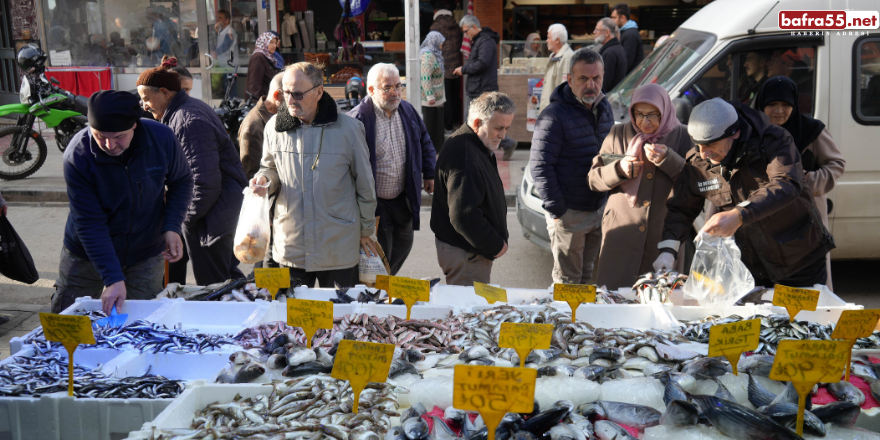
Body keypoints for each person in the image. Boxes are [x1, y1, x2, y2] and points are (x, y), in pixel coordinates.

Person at [653, 98, 836, 288]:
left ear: (735, 133)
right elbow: (681, 208)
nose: (703, 153)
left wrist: (739, 214)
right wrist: (668, 249)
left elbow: (786, 183)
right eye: (698, 145)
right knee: (755, 316)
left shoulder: (774, 141)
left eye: (710, 145)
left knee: (802, 317)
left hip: (799, 258)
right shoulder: (698, 160)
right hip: (749, 265)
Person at [51, 91, 193, 314]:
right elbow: (89, 222)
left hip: (146, 252)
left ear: (134, 126)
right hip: (87, 255)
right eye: (99, 136)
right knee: (69, 318)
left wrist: (172, 225)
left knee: (145, 322)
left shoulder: (161, 138)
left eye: (118, 136)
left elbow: (182, 180)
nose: (109, 145)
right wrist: (112, 277)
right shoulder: (78, 155)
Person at [251, 62, 378, 287]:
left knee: (341, 318)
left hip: (337, 246)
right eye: (285, 92)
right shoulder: (273, 128)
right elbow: (269, 167)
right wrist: (264, 180)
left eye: (297, 94)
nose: (290, 100)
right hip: (291, 245)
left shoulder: (349, 129)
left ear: (319, 92)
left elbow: (365, 185)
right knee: (294, 320)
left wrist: (366, 230)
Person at [136, 66, 247, 286]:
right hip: (214, 214)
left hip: (213, 220)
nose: (144, 105)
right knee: (224, 283)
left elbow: (204, 184)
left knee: (218, 289)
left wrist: (180, 221)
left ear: (165, 93)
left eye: (147, 98)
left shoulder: (187, 120)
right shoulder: (183, 111)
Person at [588, 84, 693, 289]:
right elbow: (593, 179)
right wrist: (619, 169)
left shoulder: (682, 136)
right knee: (613, 301)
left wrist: (670, 161)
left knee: (656, 301)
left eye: (652, 115)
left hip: (662, 239)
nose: (644, 122)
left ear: (664, 110)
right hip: (620, 238)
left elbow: (697, 183)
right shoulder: (619, 133)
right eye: (639, 114)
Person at [530, 48, 613, 285]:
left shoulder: (605, 109)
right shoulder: (553, 115)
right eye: (583, 79)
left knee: (590, 278)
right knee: (568, 281)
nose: (591, 85)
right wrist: (558, 210)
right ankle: (567, 322)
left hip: (598, 208)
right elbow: (540, 166)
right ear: (570, 79)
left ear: (603, 77)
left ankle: (584, 321)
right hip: (570, 213)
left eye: (596, 78)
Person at [754, 76, 845, 289]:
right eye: (772, 104)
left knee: (809, 280)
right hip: (764, 215)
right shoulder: (751, 132)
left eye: (786, 104)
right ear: (761, 105)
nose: (779, 110)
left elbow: (836, 164)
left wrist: (807, 181)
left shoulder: (812, 131)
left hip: (806, 218)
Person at [348, 64, 436, 275]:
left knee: (403, 244)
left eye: (399, 86)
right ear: (371, 90)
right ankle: (377, 290)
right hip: (375, 203)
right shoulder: (357, 120)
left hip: (402, 197)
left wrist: (429, 172)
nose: (395, 93)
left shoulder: (407, 110)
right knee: (380, 253)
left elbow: (425, 140)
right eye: (387, 88)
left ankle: (384, 282)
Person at [431, 92, 514, 286]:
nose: (503, 135)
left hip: (469, 252)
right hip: (466, 255)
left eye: (506, 128)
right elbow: (463, 215)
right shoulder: (465, 154)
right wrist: (496, 245)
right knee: (468, 311)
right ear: (477, 123)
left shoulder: (475, 144)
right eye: (498, 128)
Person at [453, 16, 500, 122]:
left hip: (482, 90)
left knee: (476, 124)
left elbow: (482, 63)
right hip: (478, 89)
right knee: (477, 125)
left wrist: (464, 69)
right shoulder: (481, 40)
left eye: (466, 31)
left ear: (474, 27)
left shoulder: (486, 41)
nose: (465, 35)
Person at [240, 72, 284, 180]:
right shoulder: (253, 126)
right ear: (277, 96)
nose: (295, 101)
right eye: (292, 94)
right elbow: (253, 177)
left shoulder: (279, 116)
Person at [430, 7, 463, 132]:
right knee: (455, 96)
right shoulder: (456, 25)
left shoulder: (435, 27)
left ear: (435, 12)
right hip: (456, 66)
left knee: (445, 97)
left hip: (442, 67)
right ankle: (456, 122)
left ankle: (448, 126)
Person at [419, 32, 447, 153]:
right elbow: (425, 76)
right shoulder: (428, 56)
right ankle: (431, 151)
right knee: (431, 126)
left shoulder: (435, 54)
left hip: (437, 97)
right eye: (440, 41)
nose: (442, 43)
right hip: (431, 99)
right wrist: (430, 95)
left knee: (438, 125)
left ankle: (438, 150)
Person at [539, 24, 575, 111]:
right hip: (550, 110)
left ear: (557, 40)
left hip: (557, 112)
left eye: (549, 38)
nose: (546, 41)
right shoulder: (553, 55)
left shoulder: (567, 57)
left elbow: (565, 90)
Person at [593, 18, 627, 93]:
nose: (594, 32)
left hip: (609, 98)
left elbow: (605, 84)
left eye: (597, 30)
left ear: (607, 32)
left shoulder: (609, 53)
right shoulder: (618, 48)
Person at [610, 3, 644, 73]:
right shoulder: (624, 32)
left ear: (622, 18)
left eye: (614, 18)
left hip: (630, 79)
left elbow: (626, 61)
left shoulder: (630, 34)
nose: (612, 21)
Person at [247, 32, 281, 99]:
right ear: (264, 42)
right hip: (260, 102)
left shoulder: (268, 57)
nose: (274, 45)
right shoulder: (259, 57)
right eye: (271, 42)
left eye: (275, 43)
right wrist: (256, 104)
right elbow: (255, 83)